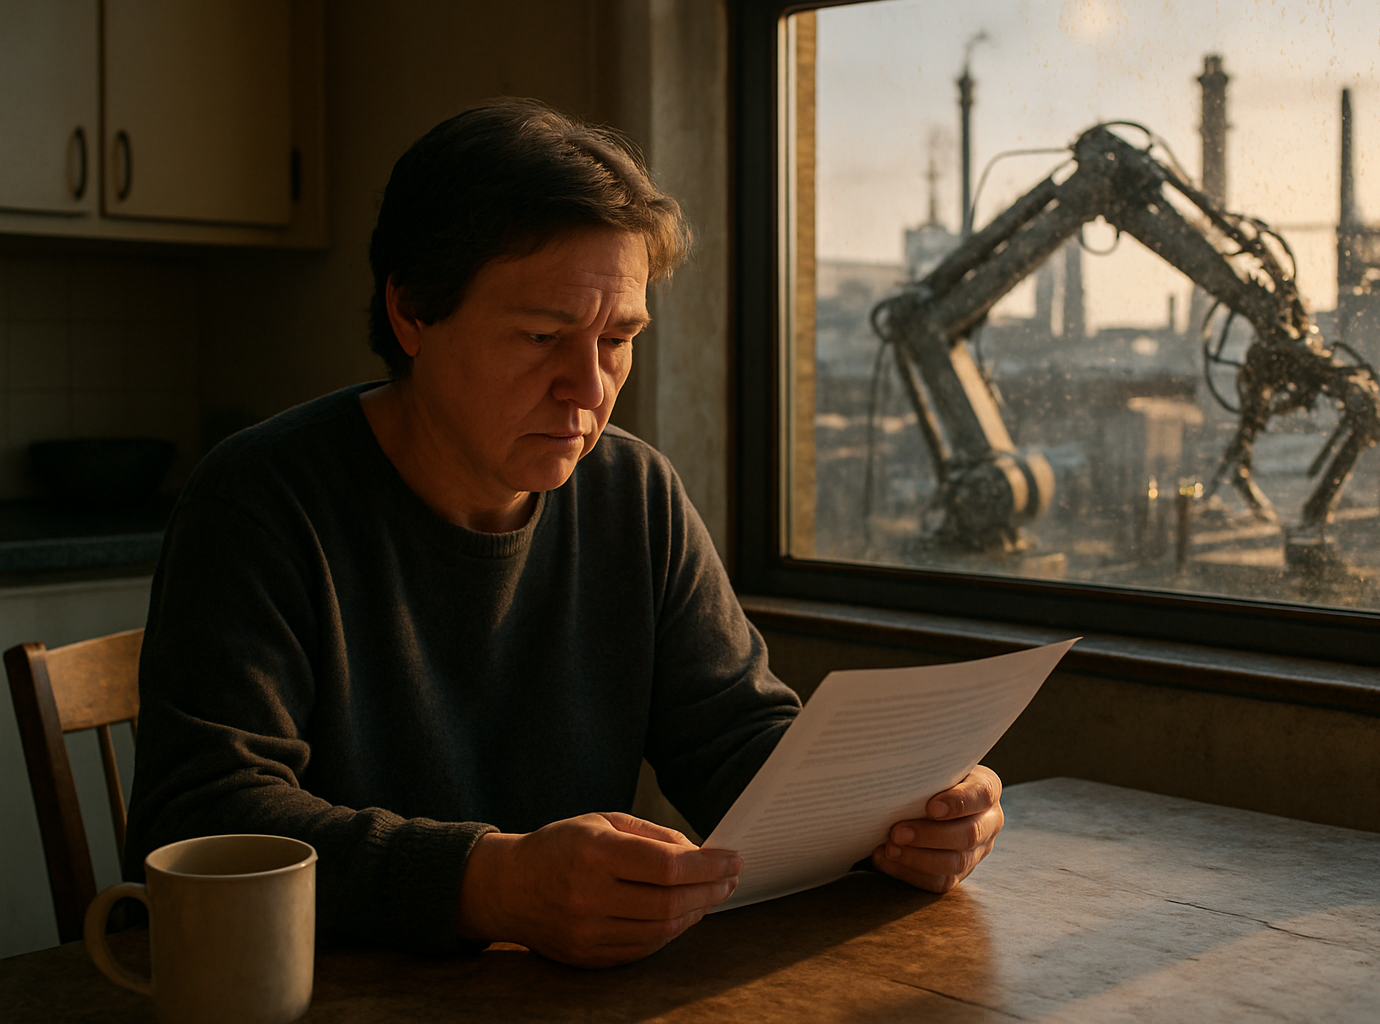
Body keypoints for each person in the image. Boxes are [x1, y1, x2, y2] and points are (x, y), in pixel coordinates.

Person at [124, 98, 1004, 968]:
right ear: (411, 314)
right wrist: (493, 884)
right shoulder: (260, 501)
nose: (589, 388)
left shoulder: (634, 494)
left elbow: (735, 740)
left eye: (618, 338)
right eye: (543, 335)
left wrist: (899, 811)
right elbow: (203, 816)